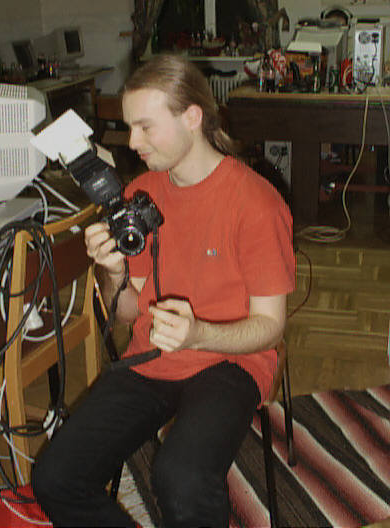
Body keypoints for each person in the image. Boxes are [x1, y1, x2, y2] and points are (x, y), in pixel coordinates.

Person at [31, 54, 295, 527]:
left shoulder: (256, 202)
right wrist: (112, 271)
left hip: (230, 361)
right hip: (152, 357)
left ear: (192, 117)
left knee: (182, 479)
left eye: (145, 127)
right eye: (129, 127)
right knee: (55, 476)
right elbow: (128, 311)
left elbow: (270, 327)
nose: (133, 142)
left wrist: (199, 334)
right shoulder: (141, 194)